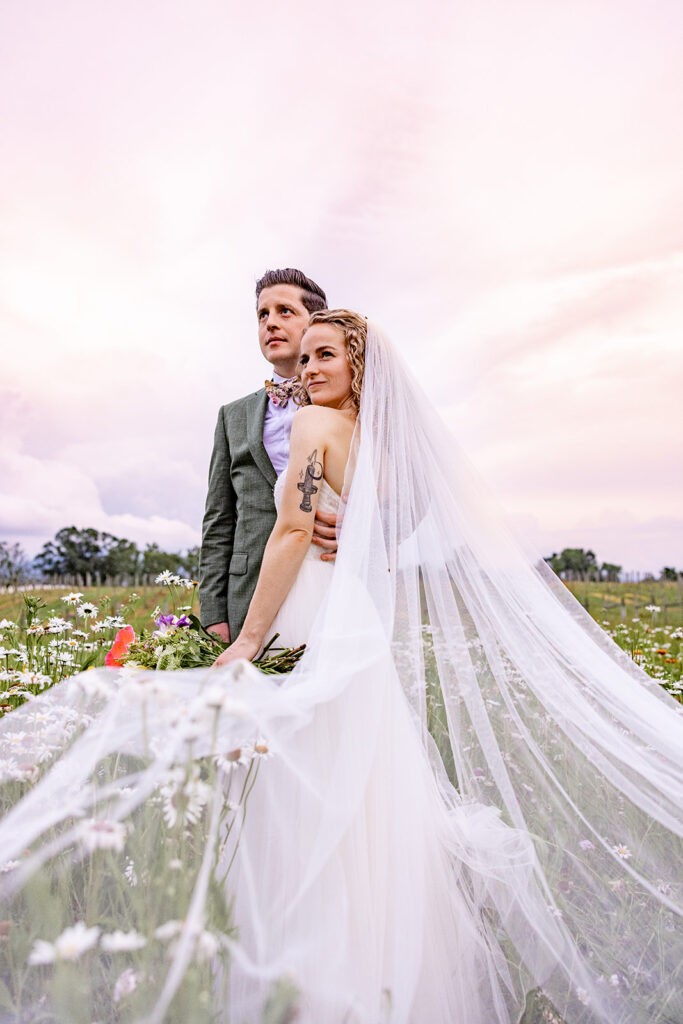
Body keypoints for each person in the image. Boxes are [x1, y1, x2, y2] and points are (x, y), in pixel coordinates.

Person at [0, 313, 681, 1024]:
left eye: (325, 355)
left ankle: (304, 981)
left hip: (307, 611)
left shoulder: (314, 426)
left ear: (359, 368)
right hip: (350, 612)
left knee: (297, 789)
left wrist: (248, 640)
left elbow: (294, 528)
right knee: (358, 787)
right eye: (303, 357)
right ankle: (379, 979)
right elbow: (360, 522)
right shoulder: (373, 440)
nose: (308, 368)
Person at [198, 268, 338, 644]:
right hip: (248, 592)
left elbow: (407, 490)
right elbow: (219, 519)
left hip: (332, 586)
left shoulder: (352, 405)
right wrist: (212, 612)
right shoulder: (233, 416)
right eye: (263, 315)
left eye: (284, 312)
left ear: (316, 322)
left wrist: (362, 527)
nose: (270, 323)